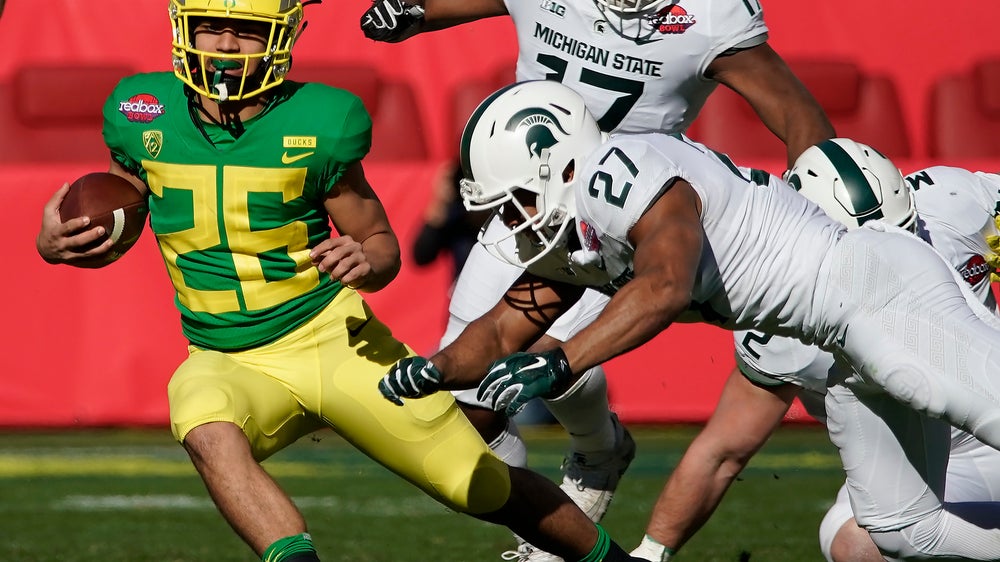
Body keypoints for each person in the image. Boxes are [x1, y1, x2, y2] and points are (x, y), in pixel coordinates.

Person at [34, 6, 645, 562]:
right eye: (210, 27)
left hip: (334, 341)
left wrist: (366, 260)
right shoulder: (141, 109)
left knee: (474, 481)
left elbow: (381, 247)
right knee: (203, 421)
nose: (224, 45)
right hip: (223, 356)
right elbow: (125, 203)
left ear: (282, 36)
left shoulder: (324, 120)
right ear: (183, 28)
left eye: (245, 30)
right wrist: (56, 242)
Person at [376, 80, 1000, 559]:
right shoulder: (583, 229)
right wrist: (429, 371)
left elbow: (667, 284)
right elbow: (500, 329)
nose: (511, 222)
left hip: (876, 291)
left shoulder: (621, 173)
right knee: (903, 531)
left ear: (557, 163)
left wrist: (563, 360)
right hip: (844, 350)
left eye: (517, 203)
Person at [361, 4, 835, 558]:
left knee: (543, 349)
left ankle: (578, 485)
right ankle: (593, 459)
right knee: (467, 411)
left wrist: (824, 215)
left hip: (628, 225)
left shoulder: (707, 14)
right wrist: (410, 10)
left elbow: (800, 116)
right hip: (525, 205)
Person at [628, 153, 1000, 561]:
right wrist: (651, 552)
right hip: (930, 468)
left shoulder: (954, 204)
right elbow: (722, 452)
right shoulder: (779, 325)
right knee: (864, 543)